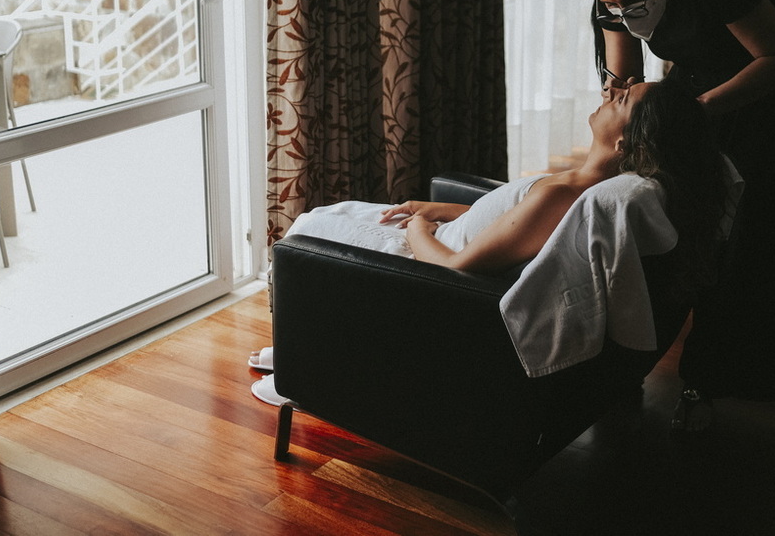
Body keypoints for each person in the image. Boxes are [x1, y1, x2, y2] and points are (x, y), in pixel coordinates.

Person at [251, 79, 735, 404]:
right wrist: (435, 209)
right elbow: (511, 225)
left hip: (429, 261)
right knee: (329, 218)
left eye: (624, 98)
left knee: (308, 230)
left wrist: (420, 230)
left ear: (626, 143)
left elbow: (457, 267)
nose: (613, 89)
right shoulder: (580, 184)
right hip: (440, 237)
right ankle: (305, 343)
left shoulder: (568, 196)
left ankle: (303, 367)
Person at [578, 0, 775, 431]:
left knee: (748, 247)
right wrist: (623, 106)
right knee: (681, 237)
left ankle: (717, 380)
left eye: (631, 2)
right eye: (609, 5)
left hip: (759, 103)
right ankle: (630, 361)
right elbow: (625, 76)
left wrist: (695, 111)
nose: (621, 13)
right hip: (689, 101)